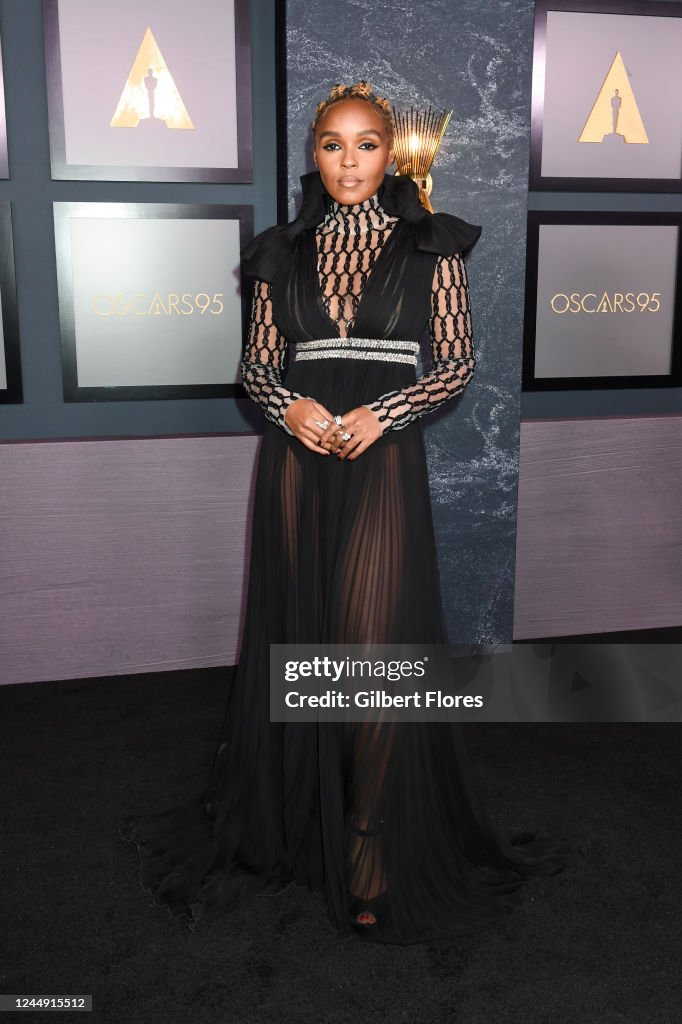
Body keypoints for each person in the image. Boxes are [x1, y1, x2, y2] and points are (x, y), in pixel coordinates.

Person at [119, 81, 579, 945]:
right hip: (296, 462)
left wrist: (385, 414)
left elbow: (454, 363)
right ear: (313, 154)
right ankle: (295, 819)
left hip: (380, 461)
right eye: (332, 144)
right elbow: (257, 364)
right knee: (304, 638)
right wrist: (285, 404)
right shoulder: (278, 253)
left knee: (372, 648)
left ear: (390, 153)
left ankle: (369, 839)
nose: (348, 161)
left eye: (366, 144)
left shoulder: (430, 246)